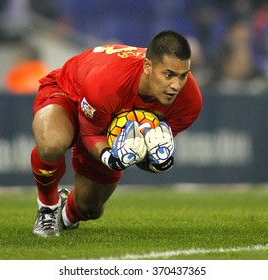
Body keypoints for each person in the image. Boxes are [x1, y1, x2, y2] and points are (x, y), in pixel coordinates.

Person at [31, 30, 203, 237]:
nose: (176, 85)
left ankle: (65, 216)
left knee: (90, 209)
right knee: (51, 144)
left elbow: (145, 155)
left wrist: (157, 162)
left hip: (105, 114)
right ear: (148, 67)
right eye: (169, 75)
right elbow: (90, 132)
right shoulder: (108, 81)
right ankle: (48, 207)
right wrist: (110, 158)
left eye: (183, 76)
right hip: (70, 92)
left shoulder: (189, 101)